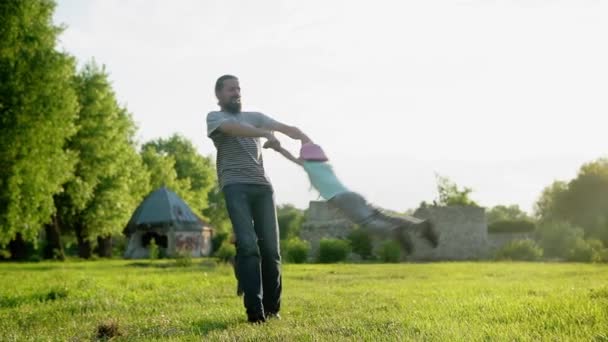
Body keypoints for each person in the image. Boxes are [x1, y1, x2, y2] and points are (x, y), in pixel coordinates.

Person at [206, 75, 311, 323]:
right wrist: (265, 133)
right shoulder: (215, 118)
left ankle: (273, 311)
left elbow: (286, 130)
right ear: (219, 95)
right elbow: (233, 129)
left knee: (271, 250)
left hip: (263, 188)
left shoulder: (256, 117)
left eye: (239, 89)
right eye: (231, 89)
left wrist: (304, 139)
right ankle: (255, 314)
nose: (236, 93)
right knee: (249, 246)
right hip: (235, 186)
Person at [268, 142, 440, 251]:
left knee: (367, 223)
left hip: (343, 199)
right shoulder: (325, 166)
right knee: (383, 216)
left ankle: (394, 232)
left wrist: (277, 147)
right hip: (352, 195)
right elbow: (307, 144)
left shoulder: (308, 166)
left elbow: (290, 157)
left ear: (305, 157)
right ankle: (420, 225)